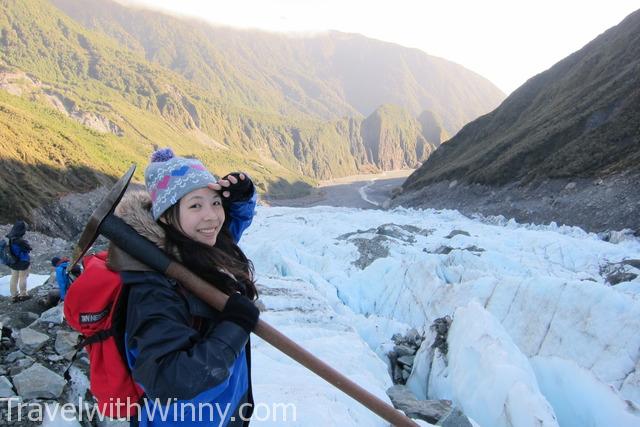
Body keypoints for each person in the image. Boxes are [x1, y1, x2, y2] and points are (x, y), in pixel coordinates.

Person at [107, 148, 259, 426]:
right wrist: (234, 328)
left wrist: (241, 198)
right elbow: (169, 382)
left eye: (215, 203)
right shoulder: (152, 288)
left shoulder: (195, 247)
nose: (212, 217)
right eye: (195, 205)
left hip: (227, 411)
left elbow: (227, 233)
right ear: (166, 216)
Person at [6, 220, 32, 303]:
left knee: (14, 278)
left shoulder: (8, 237)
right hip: (23, 261)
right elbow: (28, 248)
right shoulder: (19, 240)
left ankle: (14, 296)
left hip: (13, 261)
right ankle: (23, 295)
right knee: (23, 278)